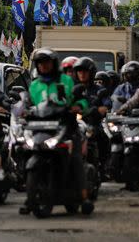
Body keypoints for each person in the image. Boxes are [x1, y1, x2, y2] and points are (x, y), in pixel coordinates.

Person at [20, 48, 92, 215]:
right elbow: (28, 104)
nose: (44, 66)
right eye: (40, 63)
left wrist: (78, 106)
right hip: (40, 128)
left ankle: (83, 197)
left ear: (54, 64)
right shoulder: (35, 85)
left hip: (65, 127)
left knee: (75, 160)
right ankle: (29, 195)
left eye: (47, 62)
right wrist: (24, 111)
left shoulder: (66, 81)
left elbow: (81, 100)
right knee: (23, 151)